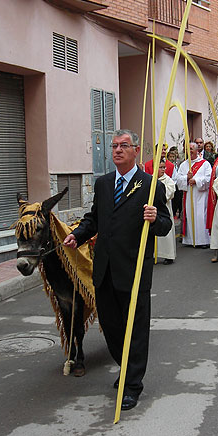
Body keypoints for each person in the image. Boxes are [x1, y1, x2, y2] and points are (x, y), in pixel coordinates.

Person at [63, 130, 171, 411]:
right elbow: (94, 219)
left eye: (124, 146)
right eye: (114, 146)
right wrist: (79, 235)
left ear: (136, 151)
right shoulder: (103, 184)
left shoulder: (150, 185)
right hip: (105, 271)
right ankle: (126, 366)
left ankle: (132, 385)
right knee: (111, 328)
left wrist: (155, 217)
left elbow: (165, 226)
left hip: (134, 271)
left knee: (135, 330)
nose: (118, 150)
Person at [176, 142, 212, 248]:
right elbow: (178, 179)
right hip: (189, 195)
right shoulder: (184, 165)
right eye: (188, 149)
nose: (190, 151)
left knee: (201, 216)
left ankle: (203, 240)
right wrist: (186, 178)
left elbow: (208, 178)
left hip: (201, 195)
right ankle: (190, 240)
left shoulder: (205, 164)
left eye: (192, 149)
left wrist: (196, 180)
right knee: (190, 216)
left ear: (197, 150)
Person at [156, 159, 176, 265]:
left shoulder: (168, 181)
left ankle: (168, 255)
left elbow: (169, 193)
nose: (162, 169)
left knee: (166, 234)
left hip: (164, 209)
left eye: (164, 167)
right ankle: (154, 254)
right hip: (154, 210)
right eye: (160, 167)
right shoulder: (151, 179)